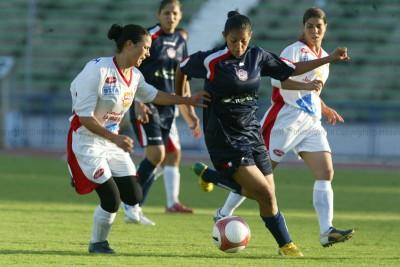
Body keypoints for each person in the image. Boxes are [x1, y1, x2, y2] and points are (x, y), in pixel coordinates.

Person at [176, 10, 349, 256]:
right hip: (225, 137)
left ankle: (212, 177)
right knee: (264, 192)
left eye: (243, 40)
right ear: (225, 36)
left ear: (250, 37)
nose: (238, 45)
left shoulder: (257, 56)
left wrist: (327, 60)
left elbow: (290, 69)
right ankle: (286, 245)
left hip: (252, 134)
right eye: (233, 40)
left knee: (265, 194)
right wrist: (184, 100)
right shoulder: (213, 60)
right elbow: (182, 68)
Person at [66, 23, 207, 254]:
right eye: (146, 48)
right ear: (129, 45)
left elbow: (154, 95)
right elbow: (84, 119)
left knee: (134, 195)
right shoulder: (97, 71)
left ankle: (88, 177)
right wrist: (116, 138)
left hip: (112, 142)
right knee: (111, 199)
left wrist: (187, 101)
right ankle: (98, 243)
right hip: (87, 141)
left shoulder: (135, 76)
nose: (149, 53)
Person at [122, 0, 201, 225]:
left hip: (169, 108)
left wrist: (190, 114)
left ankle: (135, 207)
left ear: (180, 15)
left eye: (175, 13)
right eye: (166, 13)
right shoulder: (149, 38)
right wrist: (137, 100)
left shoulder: (180, 41)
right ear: (158, 14)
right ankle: (131, 202)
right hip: (147, 105)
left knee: (158, 158)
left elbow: (182, 79)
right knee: (156, 154)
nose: (171, 17)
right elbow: (130, 69)